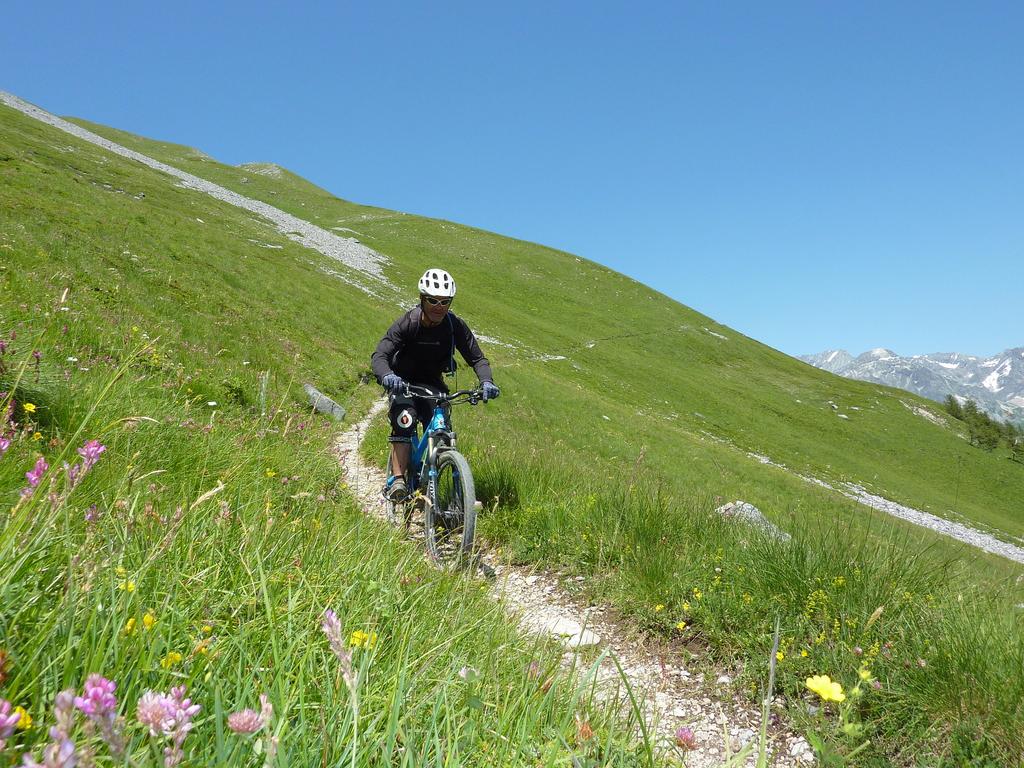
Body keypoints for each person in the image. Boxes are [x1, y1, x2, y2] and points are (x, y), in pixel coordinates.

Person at [371, 268, 500, 500]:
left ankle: (445, 491)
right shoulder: (408, 323)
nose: (438, 306)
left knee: (441, 427)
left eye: (444, 301)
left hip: (432, 384)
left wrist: (487, 381)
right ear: (422, 299)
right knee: (405, 418)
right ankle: (398, 481)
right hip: (403, 382)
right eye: (432, 300)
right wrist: (388, 376)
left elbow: (478, 358)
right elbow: (380, 355)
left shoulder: (454, 326)